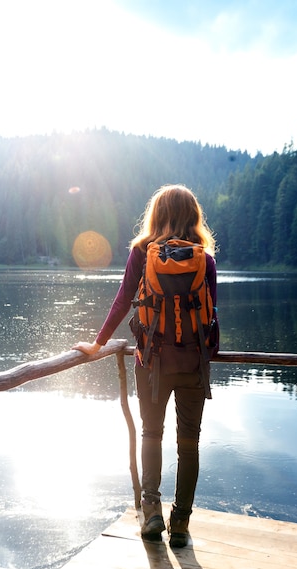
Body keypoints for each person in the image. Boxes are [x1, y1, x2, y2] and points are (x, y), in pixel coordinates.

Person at [73, 184, 218, 547]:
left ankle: (151, 510)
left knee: (151, 434)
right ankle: (181, 523)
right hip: (192, 366)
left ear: (156, 214)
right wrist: (205, 356)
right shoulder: (206, 260)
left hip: (151, 363)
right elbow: (211, 319)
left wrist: (98, 343)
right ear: (193, 217)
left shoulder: (142, 252)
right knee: (190, 443)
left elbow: (123, 301)